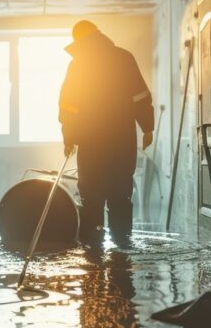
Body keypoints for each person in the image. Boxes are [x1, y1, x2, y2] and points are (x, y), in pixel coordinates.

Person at [58, 20, 154, 247]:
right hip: (122, 141)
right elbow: (140, 96)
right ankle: (122, 246)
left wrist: (69, 137)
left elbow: (68, 106)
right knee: (120, 194)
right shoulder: (123, 58)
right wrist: (147, 127)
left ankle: (93, 247)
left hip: (91, 143)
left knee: (91, 196)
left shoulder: (78, 66)